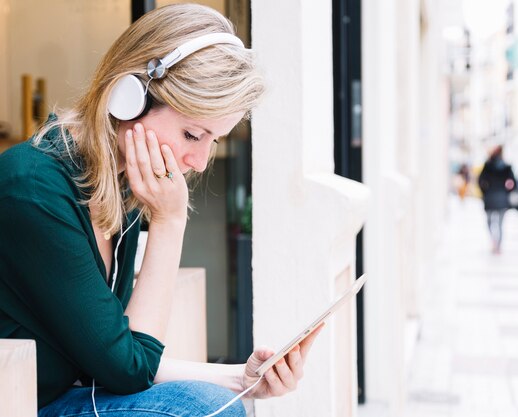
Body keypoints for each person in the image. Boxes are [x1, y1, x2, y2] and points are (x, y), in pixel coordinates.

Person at [0, 4, 321, 417]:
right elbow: (126, 370)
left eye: (214, 141)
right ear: (128, 98)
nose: (201, 161)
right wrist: (170, 222)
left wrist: (244, 378)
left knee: (224, 403)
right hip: (23, 404)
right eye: (192, 134)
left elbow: (121, 353)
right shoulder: (33, 190)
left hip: (63, 392)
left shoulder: (120, 186)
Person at [478, 145, 517, 254]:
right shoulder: (507, 167)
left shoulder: (487, 166)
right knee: (500, 224)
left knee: (489, 222)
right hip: (502, 198)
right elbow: (513, 183)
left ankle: (494, 242)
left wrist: (485, 191)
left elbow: (480, 180)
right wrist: (507, 191)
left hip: (490, 197)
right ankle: (498, 245)